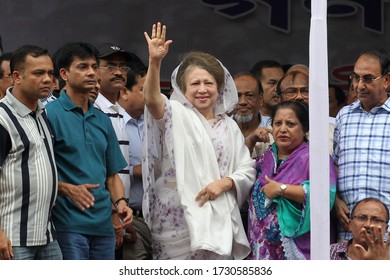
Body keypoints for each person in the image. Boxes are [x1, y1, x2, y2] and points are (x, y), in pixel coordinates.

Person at [142, 22, 256, 259]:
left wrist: (225, 183)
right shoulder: (174, 113)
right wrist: (155, 62)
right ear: (183, 89)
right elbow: (152, 100)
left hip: (219, 215)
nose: (202, 89)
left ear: (219, 87)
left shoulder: (229, 125)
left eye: (208, 83)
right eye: (195, 83)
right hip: (174, 218)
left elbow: (246, 168)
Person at [46, 42, 133, 260]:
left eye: (94, 66)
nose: (92, 73)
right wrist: (66, 189)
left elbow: (112, 175)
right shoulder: (49, 114)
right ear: (64, 74)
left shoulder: (102, 119)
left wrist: (120, 204)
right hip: (66, 225)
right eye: (83, 67)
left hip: (104, 226)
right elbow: (40, 172)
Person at [248, 101, 337, 260]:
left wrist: (282, 189)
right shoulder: (266, 157)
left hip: (297, 247)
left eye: (290, 124)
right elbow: (242, 171)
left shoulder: (315, 157)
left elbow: (325, 195)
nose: (282, 129)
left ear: (305, 128)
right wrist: (250, 141)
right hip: (262, 248)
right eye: (277, 123)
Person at [0, 45, 62, 260]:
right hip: (11, 238)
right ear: (17, 77)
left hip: (46, 235)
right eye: (38, 73)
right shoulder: (2, 118)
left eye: (50, 73)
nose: (47, 79)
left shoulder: (42, 114)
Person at [333, 49, 390, 242]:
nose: (359, 85)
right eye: (355, 78)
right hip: (348, 228)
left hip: (387, 232)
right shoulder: (344, 116)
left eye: (368, 78)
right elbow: (335, 165)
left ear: (387, 80)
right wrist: (335, 200)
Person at [117, 67, 152, 260]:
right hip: (131, 217)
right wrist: (133, 171)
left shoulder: (153, 122)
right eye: (144, 89)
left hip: (158, 217)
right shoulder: (114, 122)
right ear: (124, 92)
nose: (151, 95)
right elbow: (108, 170)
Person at [250, 60, 284, 127]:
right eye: (272, 83)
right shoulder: (243, 120)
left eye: (281, 83)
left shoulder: (293, 119)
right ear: (256, 85)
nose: (277, 88)